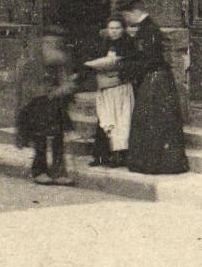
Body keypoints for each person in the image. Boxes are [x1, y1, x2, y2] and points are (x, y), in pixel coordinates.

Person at [119, 0, 188, 174]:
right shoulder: (145, 28)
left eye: (126, 15)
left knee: (154, 121)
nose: (126, 20)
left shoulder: (149, 30)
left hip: (156, 79)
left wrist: (126, 67)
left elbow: (149, 59)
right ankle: (151, 163)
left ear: (134, 12)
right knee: (150, 120)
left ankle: (157, 164)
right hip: (154, 78)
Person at [15, 30, 76, 185]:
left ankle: (58, 171)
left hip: (55, 103)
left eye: (57, 43)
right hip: (38, 103)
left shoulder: (59, 62)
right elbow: (27, 87)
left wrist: (64, 88)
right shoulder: (32, 62)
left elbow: (65, 80)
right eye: (50, 43)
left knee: (58, 137)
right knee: (40, 137)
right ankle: (39, 170)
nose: (54, 46)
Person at [83, 12, 134, 167]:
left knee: (121, 122)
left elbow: (119, 63)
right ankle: (101, 156)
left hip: (120, 88)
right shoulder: (104, 43)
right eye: (111, 28)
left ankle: (119, 156)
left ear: (123, 29)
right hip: (106, 88)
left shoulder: (128, 44)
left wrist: (102, 65)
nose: (114, 31)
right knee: (105, 121)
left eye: (117, 28)